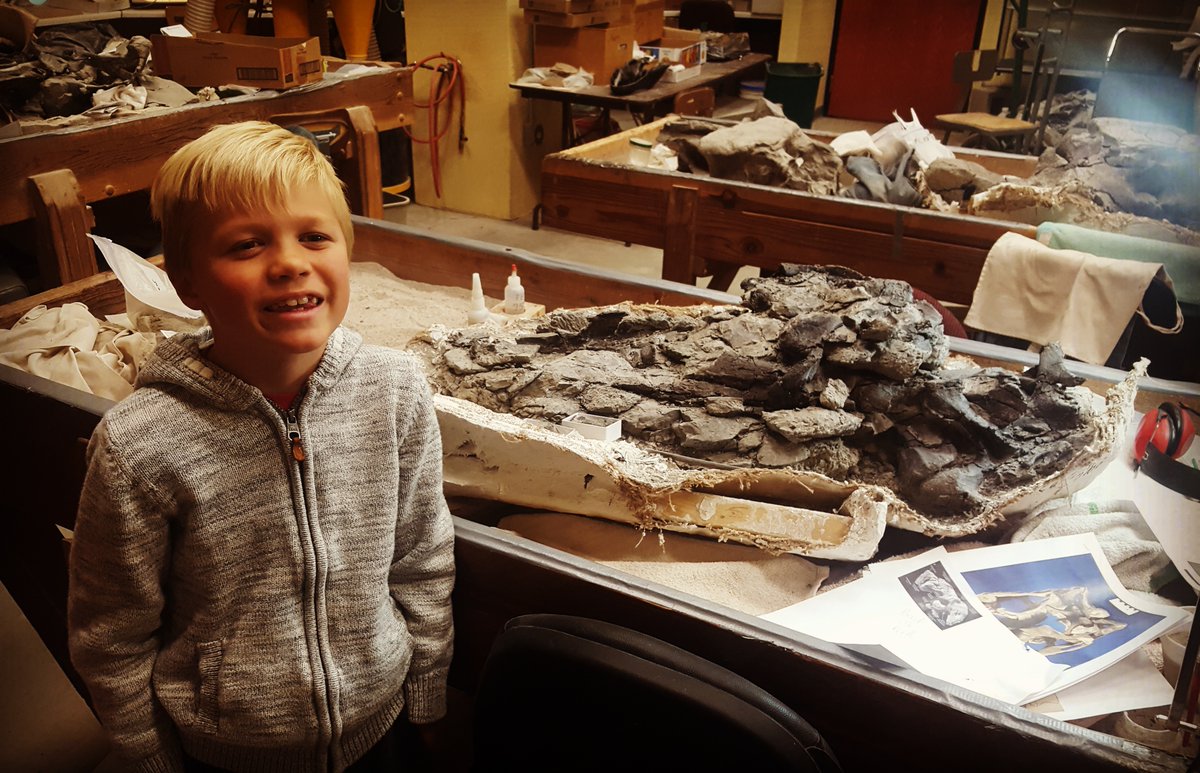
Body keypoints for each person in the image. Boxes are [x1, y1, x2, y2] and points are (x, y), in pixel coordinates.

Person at [67, 121, 456, 772]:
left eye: (314, 236)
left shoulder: (395, 391)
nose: (290, 262)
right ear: (187, 282)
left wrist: (428, 695)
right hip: (228, 754)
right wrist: (148, 758)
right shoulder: (139, 445)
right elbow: (112, 633)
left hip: (379, 727)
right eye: (247, 244)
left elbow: (422, 556)